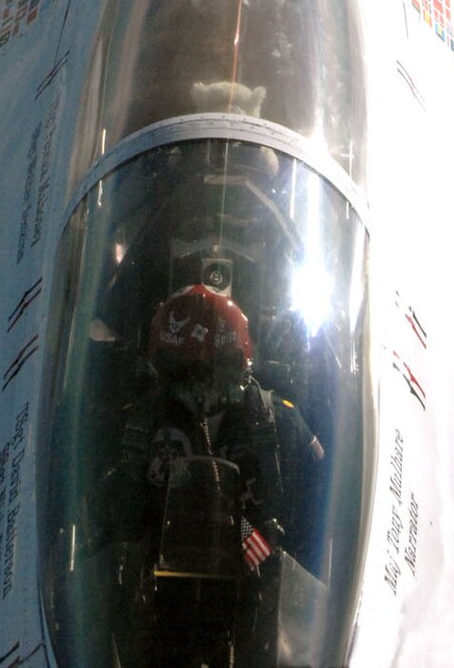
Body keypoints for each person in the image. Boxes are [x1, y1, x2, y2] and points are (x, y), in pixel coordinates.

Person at [108, 286, 285, 667]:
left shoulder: (270, 422)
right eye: (187, 371)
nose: (202, 387)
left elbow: (318, 522)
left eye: (216, 369)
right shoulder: (141, 425)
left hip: (250, 606)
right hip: (159, 602)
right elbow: (112, 516)